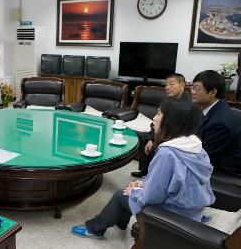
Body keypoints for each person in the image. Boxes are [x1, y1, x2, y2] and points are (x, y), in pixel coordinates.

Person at [72, 100, 215, 239]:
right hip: (192, 212)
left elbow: (153, 197)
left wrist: (135, 191)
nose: (154, 118)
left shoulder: (167, 153)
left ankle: (94, 229)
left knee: (121, 194)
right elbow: (176, 180)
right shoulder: (196, 146)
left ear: (171, 121)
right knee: (134, 187)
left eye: (159, 114)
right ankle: (119, 220)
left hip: (174, 215)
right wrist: (144, 184)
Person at [131, 73, 190, 178]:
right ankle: (145, 171)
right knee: (143, 136)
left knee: (155, 144)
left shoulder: (186, 105)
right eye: (166, 85)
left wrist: (155, 140)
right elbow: (156, 121)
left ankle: (154, 175)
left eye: (171, 84)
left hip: (172, 138)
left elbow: (174, 130)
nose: (168, 87)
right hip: (161, 131)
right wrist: (150, 139)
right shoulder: (167, 101)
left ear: (182, 85)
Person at [192, 70, 241, 177]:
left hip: (224, 171)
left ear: (213, 92)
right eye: (193, 87)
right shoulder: (211, 108)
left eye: (197, 88)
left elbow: (203, 157)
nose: (193, 92)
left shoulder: (220, 122)